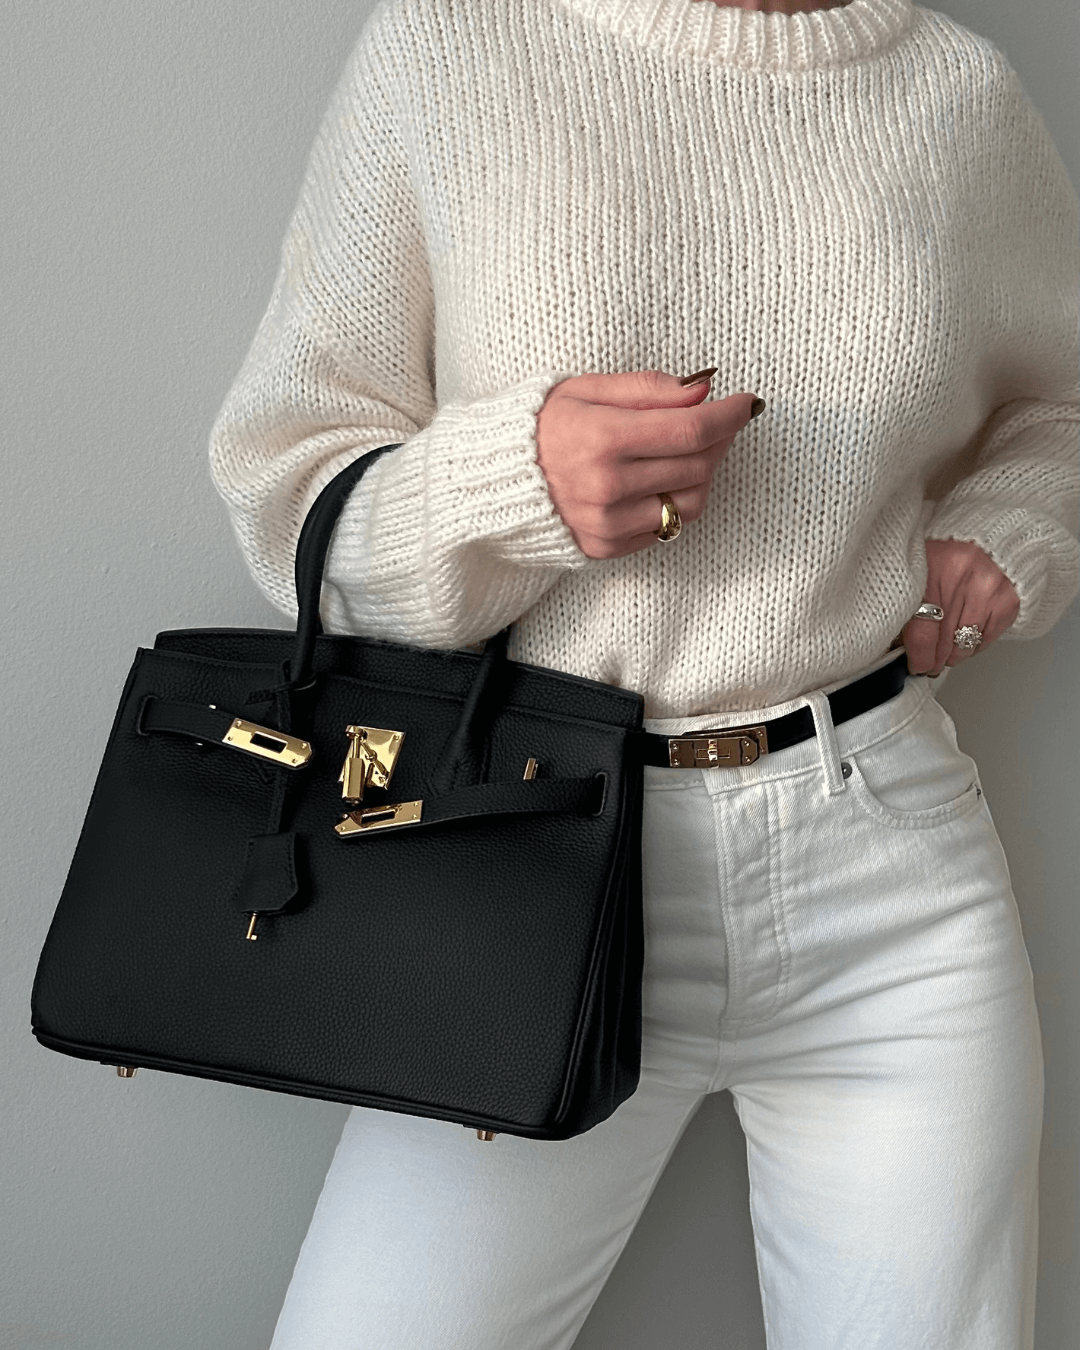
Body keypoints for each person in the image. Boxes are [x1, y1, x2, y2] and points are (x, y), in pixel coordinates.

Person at [207, 0, 1079, 1345]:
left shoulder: (956, 96)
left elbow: (1060, 404)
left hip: (889, 877)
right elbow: (292, 489)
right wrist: (516, 485)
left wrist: (1012, 526)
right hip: (524, 858)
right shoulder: (453, 44)